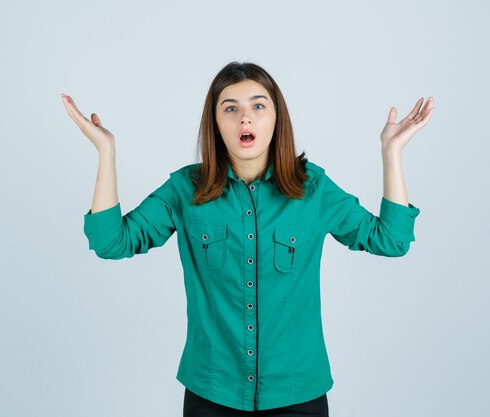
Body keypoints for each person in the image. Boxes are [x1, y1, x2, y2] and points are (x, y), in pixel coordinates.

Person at [61, 61, 433, 417]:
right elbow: (112, 242)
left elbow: (391, 240)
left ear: (276, 118)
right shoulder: (185, 190)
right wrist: (106, 152)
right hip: (212, 393)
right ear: (215, 123)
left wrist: (392, 153)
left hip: (298, 394)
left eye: (258, 105)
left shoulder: (313, 189)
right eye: (230, 108)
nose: (245, 117)